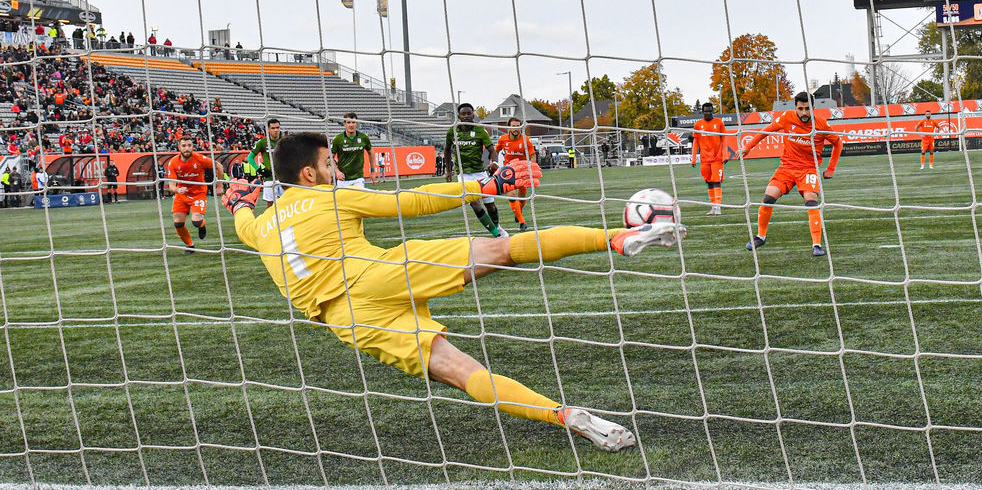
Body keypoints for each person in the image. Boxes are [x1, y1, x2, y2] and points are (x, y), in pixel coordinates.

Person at [223, 133, 685, 452]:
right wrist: (484, 185)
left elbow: (241, 216)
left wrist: (239, 200)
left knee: (462, 373)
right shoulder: (330, 196)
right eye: (328, 165)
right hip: (377, 274)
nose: (336, 172)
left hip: (348, 321)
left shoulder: (260, 226)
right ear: (309, 175)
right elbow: (414, 201)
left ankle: (566, 417)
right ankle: (614, 238)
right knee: (502, 251)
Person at [738, 92, 844, 257]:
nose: (803, 113)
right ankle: (760, 236)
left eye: (807, 109)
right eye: (800, 108)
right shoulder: (787, 117)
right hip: (786, 168)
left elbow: (838, 144)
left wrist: (831, 169)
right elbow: (766, 131)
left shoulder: (821, 125)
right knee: (768, 199)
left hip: (808, 169)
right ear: (795, 107)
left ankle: (817, 244)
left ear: (813, 109)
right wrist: (748, 147)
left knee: (811, 202)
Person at [445, 103, 505, 237]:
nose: (466, 116)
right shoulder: (452, 131)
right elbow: (447, 150)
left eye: (468, 113)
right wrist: (448, 171)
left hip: (480, 173)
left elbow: (492, 151)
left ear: (473, 115)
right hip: (463, 174)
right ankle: (497, 235)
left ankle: (498, 227)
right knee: (475, 204)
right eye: (463, 114)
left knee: (490, 205)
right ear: (459, 116)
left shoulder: (480, 131)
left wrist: (494, 162)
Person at [165, 136, 225, 253]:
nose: (186, 148)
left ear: (193, 147)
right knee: (178, 223)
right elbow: (171, 186)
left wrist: (219, 185)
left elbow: (219, 166)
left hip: (198, 193)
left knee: (196, 221)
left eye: (189, 145)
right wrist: (177, 190)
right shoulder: (173, 162)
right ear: (179, 147)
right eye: (184, 146)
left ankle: (201, 225)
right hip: (182, 194)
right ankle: (190, 245)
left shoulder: (200, 159)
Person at [493, 117, 537, 231]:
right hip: (508, 172)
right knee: (512, 195)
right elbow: (495, 151)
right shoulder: (503, 139)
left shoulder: (526, 140)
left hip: (522, 171)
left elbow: (532, 155)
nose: (516, 129)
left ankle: (518, 212)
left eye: (518, 126)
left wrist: (531, 166)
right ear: (509, 128)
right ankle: (522, 223)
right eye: (513, 126)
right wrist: (492, 162)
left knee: (522, 195)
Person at [690, 102, 728, 215]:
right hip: (704, 160)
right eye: (706, 111)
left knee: (717, 181)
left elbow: (724, 139)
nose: (708, 113)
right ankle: (713, 207)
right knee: (709, 182)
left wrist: (725, 155)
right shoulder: (698, 124)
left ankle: (718, 207)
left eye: (710, 111)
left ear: (712, 111)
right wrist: (693, 158)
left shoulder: (719, 123)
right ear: (703, 112)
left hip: (717, 158)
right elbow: (695, 141)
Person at [331, 113, 374, 189]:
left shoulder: (363, 137)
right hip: (343, 179)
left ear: (356, 123)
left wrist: (372, 171)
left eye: (353, 122)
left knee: (358, 199)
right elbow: (330, 157)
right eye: (348, 122)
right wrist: (337, 171)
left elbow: (371, 152)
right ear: (345, 124)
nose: (351, 125)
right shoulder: (338, 139)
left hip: (358, 178)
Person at [247, 119, 285, 205]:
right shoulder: (263, 142)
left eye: (277, 127)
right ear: (268, 129)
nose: (276, 130)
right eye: (273, 128)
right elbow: (250, 157)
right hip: (269, 179)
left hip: (284, 178)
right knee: (271, 207)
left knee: (286, 206)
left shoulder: (285, 141)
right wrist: (259, 170)